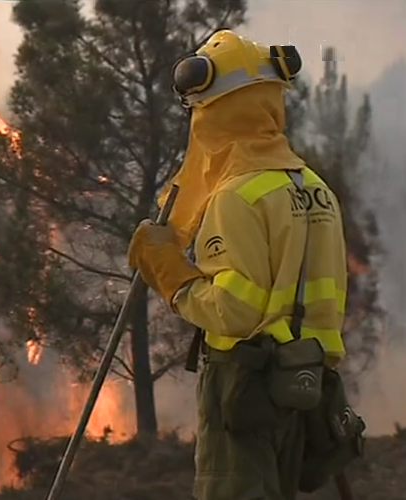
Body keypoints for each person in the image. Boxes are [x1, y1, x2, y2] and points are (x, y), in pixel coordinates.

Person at [125, 30, 349, 500]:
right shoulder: (315, 188)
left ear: (216, 113)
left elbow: (235, 309)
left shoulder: (236, 196)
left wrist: (174, 278)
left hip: (245, 386)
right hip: (307, 387)